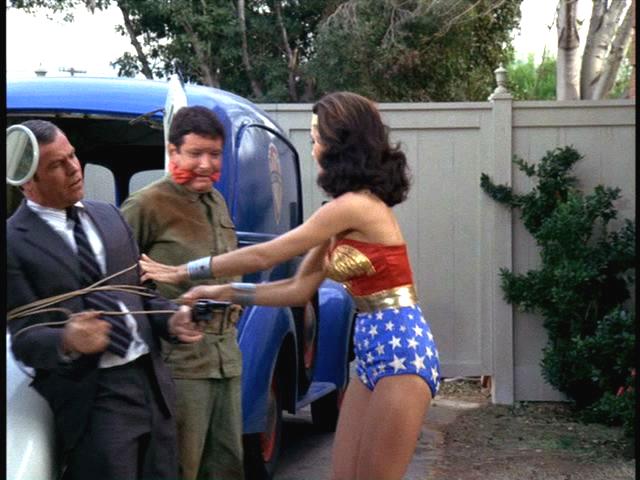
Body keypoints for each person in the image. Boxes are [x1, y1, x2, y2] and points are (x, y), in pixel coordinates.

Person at [139, 91, 442, 480]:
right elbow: (297, 290)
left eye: (316, 139)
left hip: (402, 347)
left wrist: (183, 271)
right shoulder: (337, 213)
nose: (313, 148)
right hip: (371, 350)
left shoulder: (356, 206)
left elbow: (267, 255)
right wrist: (222, 291)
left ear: (339, 144)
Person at [6, 119, 203, 480]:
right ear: (28, 182)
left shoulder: (109, 216)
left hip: (151, 383)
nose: (74, 168)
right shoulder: (13, 242)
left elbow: (141, 295)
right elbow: (23, 338)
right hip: (94, 397)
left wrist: (172, 318)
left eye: (72, 156)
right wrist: (67, 340)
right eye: (57, 164)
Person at [120, 105, 244, 480]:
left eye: (215, 154)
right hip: (179, 365)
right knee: (178, 467)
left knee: (226, 466)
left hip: (226, 358)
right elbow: (120, 286)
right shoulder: (145, 205)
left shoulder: (216, 201)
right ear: (172, 151)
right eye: (195, 153)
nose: (206, 164)